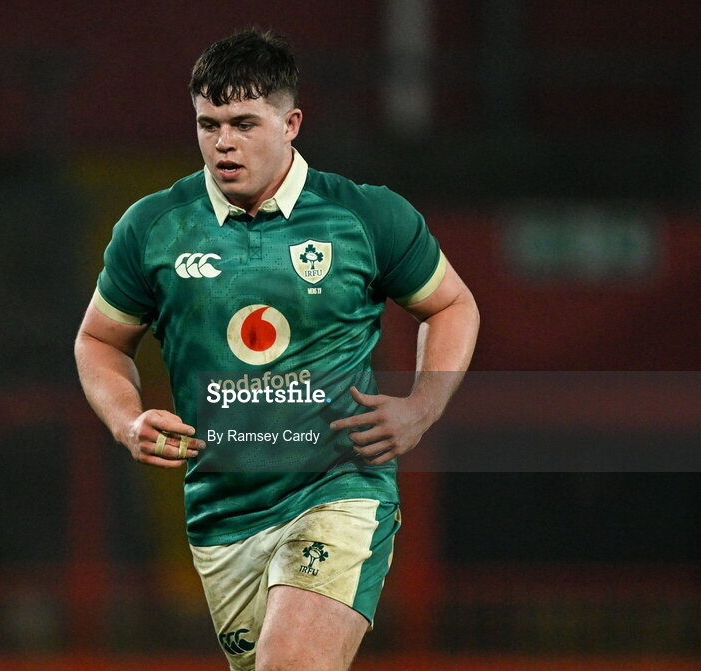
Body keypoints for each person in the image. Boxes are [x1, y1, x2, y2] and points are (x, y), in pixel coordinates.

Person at [74, 28, 479, 671]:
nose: (222, 143)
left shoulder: (365, 216)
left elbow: (452, 305)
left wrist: (422, 407)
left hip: (339, 487)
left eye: (243, 123)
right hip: (223, 512)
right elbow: (98, 340)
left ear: (291, 123)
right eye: (208, 125)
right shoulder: (153, 227)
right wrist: (126, 421)